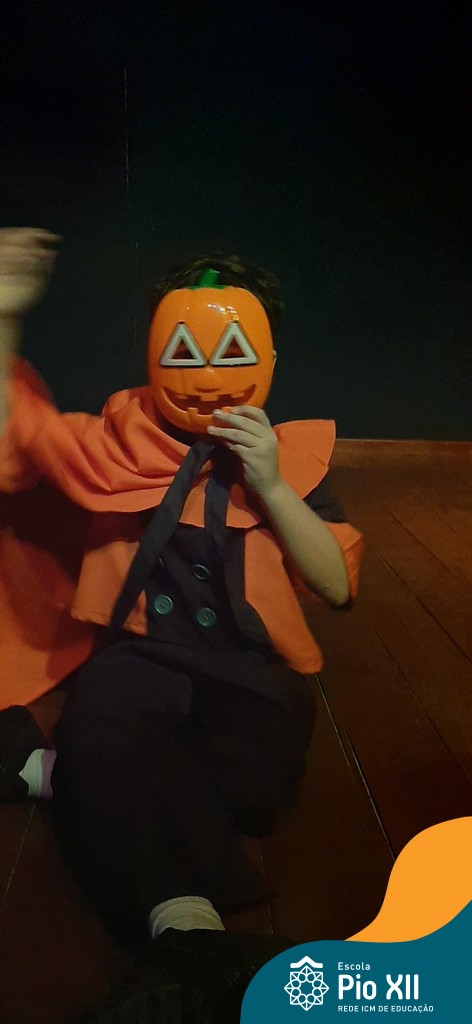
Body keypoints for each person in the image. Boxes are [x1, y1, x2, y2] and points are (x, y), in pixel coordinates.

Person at [0, 228, 363, 1024]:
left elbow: (336, 587)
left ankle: (45, 773)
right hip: (143, 655)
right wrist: (4, 317)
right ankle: (188, 932)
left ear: (268, 356)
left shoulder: (292, 460)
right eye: (183, 351)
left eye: (231, 350)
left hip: (251, 668)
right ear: (152, 353)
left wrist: (272, 486)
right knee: (108, 728)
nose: (205, 375)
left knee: (255, 792)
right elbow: (11, 437)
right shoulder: (113, 446)